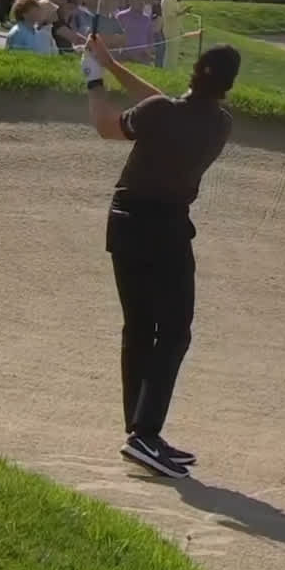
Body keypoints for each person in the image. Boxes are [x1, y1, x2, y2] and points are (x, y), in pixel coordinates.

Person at [81, 33, 240, 479]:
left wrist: (94, 79)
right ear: (228, 86)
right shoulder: (219, 124)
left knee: (140, 327)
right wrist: (110, 65)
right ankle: (144, 435)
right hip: (167, 229)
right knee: (173, 332)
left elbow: (107, 126)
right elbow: (165, 107)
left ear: (193, 72)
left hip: (127, 222)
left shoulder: (160, 113)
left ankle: (141, 434)